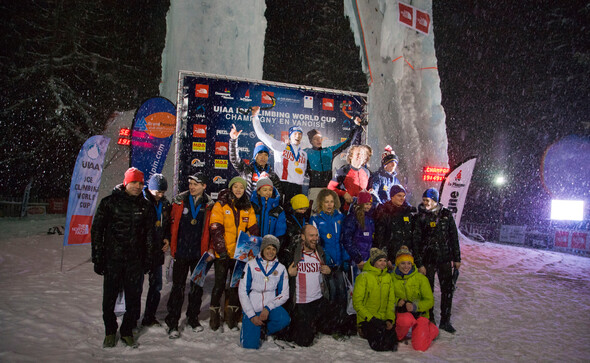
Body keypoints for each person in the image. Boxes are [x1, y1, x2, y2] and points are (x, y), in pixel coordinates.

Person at [91, 167, 155, 348]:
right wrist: (97, 257)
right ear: (126, 182)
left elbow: (150, 235)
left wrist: (149, 258)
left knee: (134, 299)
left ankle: (127, 330)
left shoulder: (146, 206)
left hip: (136, 261)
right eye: (134, 182)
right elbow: (97, 231)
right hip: (113, 259)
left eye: (141, 183)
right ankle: (110, 331)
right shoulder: (109, 203)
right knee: (109, 298)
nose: (137, 186)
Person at [165, 172, 214, 338]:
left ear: (204, 186)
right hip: (181, 252)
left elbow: (213, 231)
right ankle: (172, 323)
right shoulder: (179, 202)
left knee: (196, 289)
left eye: (196, 184)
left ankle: (193, 319)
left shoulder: (209, 205)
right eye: (190, 183)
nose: (192, 187)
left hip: (199, 255)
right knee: (177, 289)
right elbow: (169, 224)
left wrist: (211, 249)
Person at [209, 176, 259, 331]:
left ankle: (231, 317)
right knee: (219, 285)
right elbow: (216, 228)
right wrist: (221, 249)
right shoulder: (221, 205)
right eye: (235, 186)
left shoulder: (247, 206)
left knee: (235, 286)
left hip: (239, 255)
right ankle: (215, 316)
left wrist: (252, 248)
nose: (238, 190)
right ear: (231, 188)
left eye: (241, 187)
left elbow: (253, 229)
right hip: (223, 253)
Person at [413, 188, 461, 333]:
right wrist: (419, 262)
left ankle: (445, 320)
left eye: (428, 200)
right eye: (424, 200)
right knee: (428, 291)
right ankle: (430, 318)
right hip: (428, 259)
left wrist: (456, 258)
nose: (425, 203)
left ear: (435, 200)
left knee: (447, 290)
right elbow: (416, 241)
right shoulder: (419, 217)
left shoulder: (446, 215)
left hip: (444, 258)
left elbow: (453, 237)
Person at [310, 188, 353, 335]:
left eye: (331, 201)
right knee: (330, 294)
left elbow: (344, 240)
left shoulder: (340, 217)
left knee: (342, 294)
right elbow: (315, 244)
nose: (329, 204)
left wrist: (346, 259)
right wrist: (324, 260)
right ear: (321, 203)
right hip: (326, 265)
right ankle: (328, 325)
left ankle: (340, 325)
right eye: (326, 202)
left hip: (339, 263)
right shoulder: (315, 219)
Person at [238, 235, 290, 349]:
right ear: (262, 249)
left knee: (284, 319)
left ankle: (264, 330)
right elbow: (242, 291)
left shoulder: (281, 268)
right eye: (268, 248)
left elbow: (285, 294)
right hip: (253, 307)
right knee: (249, 348)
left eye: (274, 249)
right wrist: (251, 315)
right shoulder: (251, 265)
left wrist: (268, 307)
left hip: (270, 306)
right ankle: (252, 328)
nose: (271, 252)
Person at [283, 224, 331, 347]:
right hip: (301, 303)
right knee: (304, 341)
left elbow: (326, 269)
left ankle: (313, 325)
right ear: (303, 237)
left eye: (316, 235)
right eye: (311, 236)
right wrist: (288, 273)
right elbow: (281, 273)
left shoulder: (320, 252)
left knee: (330, 326)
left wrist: (328, 271)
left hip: (318, 300)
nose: (315, 238)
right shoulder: (294, 252)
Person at [251, 106, 307, 204]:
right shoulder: (280, 146)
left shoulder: (304, 154)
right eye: (295, 134)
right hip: (282, 184)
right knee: (278, 210)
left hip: (298, 187)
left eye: (300, 134)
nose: (298, 136)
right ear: (290, 136)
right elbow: (262, 135)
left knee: (294, 213)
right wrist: (255, 117)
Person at [304, 119, 363, 204]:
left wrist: (356, 126)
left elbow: (348, 143)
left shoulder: (329, 151)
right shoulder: (306, 152)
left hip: (328, 188)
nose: (318, 140)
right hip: (314, 189)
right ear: (311, 141)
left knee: (329, 212)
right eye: (315, 139)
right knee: (313, 213)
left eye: (320, 138)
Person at [391, 246, 438, 351]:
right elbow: (388, 297)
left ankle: (431, 330)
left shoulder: (421, 278)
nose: (406, 266)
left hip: (420, 314)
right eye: (402, 263)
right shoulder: (391, 278)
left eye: (409, 263)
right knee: (397, 335)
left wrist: (415, 306)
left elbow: (430, 301)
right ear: (397, 264)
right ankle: (401, 335)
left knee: (420, 347)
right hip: (402, 313)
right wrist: (397, 301)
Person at [140, 173, 172, 328]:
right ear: (150, 189)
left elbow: (167, 226)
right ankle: (132, 318)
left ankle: (149, 316)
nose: (159, 195)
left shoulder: (165, 204)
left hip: (157, 252)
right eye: (157, 192)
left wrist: (167, 238)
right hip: (141, 252)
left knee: (156, 286)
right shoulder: (142, 202)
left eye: (162, 192)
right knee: (136, 287)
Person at [352, 248, 398, 352]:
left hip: (383, 319)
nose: (383, 263)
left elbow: (391, 301)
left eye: (385, 261)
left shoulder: (388, 277)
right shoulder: (363, 277)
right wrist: (371, 319)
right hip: (368, 319)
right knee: (380, 346)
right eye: (380, 260)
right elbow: (357, 303)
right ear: (373, 262)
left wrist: (390, 319)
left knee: (392, 344)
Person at [229, 123, 282, 196]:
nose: (263, 157)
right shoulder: (246, 169)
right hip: (248, 205)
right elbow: (234, 159)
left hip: (264, 206)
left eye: (265, 155)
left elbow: (278, 194)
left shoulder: (272, 175)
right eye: (260, 154)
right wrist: (233, 140)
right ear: (255, 156)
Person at [373, 185, 416, 269]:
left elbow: (412, 236)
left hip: (405, 259)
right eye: (399, 196)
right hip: (391, 259)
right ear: (392, 196)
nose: (402, 198)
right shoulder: (384, 212)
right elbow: (380, 237)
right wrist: (386, 258)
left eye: (403, 196)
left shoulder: (408, 212)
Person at [328, 144, 372, 212]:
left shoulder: (367, 172)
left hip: (362, 210)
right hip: (347, 210)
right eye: (358, 154)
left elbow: (367, 189)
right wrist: (344, 193)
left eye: (362, 154)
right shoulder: (343, 171)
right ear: (351, 156)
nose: (360, 156)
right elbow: (330, 187)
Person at [341, 191, 375, 268]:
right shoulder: (352, 218)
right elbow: (347, 240)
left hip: (367, 259)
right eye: (366, 204)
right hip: (356, 260)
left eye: (370, 204)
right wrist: (357, 258)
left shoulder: (370, 218)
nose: (368, 206)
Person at [250, 177, 286, 243]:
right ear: (258, 191)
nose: (268, 192)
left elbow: (280, 231)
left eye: (270, 190)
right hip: (253, 244)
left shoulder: (278, 210)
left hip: (269, 246)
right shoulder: (251, 207)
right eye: (265, 190)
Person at [279, 194, 309, 266]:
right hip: (288, 250)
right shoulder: (287, 218)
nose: (303, 211)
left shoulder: (306, 218)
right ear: (295, 208)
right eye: (301, 209)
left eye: (305, 209)